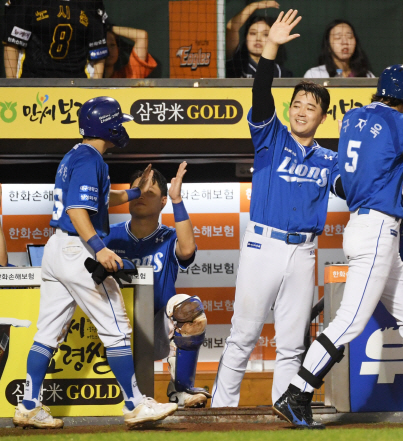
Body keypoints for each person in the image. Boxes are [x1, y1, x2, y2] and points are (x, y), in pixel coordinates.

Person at [273, 65, 403, 429]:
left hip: (370, 226)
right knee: (349, 321)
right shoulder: (401, 123)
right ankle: (297, 393)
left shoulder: (353, 117)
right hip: (377, 230)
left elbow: (360, 163)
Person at [12, 97, 177, 429]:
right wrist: (99, 248)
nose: (123, 127)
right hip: (78, 249)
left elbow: (100, 198)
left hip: (57, 249)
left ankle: (28, 404)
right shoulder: (91, 160)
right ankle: (135, 404)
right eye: (120, 121)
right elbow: (77, 210)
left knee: (47, 333)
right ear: (108, 125)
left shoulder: (77, 154)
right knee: (116, 329)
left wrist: (134, 193)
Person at [211, 10, 342, 409]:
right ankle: (219, 413)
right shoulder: (272, 137)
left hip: (303, 251)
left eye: (311, 107)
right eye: (298, 105)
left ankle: (284, 414)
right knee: (243, 336)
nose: (302, 111)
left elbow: (352, 187)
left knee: (290, 344)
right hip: (262, 246)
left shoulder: (330, 159)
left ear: (323, 116)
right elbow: (260, 91)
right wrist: (271, 48)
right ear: (290, 110)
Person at [103, 163, 210, 408]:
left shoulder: (170, 235)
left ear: (162, 201)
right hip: (115, 323)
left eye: (149, 193)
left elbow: (187, 250)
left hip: (158, 326)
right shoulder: (110, 235)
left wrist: (177, 199)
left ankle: (181, 389)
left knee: (189, 308)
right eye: (136, 191)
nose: (141, 196)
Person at [3, 0, 108, 78]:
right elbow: (12, 45)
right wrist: (11, 84)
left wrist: (95, 86)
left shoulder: (90, 3)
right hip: (33, 79)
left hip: (77, 81)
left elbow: (98, 52)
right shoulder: (27, 3)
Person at [225, 1, 292, 78]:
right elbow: (232, 27)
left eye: (265, 34)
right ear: (245, 37)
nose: (258, 39)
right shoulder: (236, 64)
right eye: (253, 33)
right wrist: (254, 6)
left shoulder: (282, 73)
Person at [303, 19, 374, 78]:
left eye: (350, 37)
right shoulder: (314, 75)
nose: (345, 42)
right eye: (338, 38)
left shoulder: (368, 76)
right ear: (328, 46)